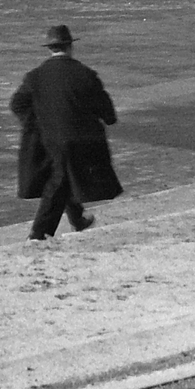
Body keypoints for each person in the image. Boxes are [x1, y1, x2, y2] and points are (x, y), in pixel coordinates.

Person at [10, 25, 121, 241]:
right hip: (84, 141)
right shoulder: (86, 74)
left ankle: (74, 219)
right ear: (70, 47)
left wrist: (39, 123)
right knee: (60, 179)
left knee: (60, 176)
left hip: (51, 139)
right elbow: (108, 113)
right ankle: (39, 233)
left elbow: (17, 104)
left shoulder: (35, 77)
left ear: (50, 49)